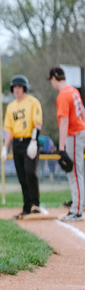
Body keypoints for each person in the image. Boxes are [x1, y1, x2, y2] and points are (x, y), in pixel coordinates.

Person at [1, 74, 43, 219]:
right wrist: (5, 147)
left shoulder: (33, 102)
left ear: (24, 88)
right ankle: (26, 206)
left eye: (19, 87)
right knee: (21, 176)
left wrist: (33, 141)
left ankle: (35, 203)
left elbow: (37, 123)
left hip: (29, 141)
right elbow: (9, 129)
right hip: (17, 144)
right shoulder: (11, 107)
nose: (17, 89)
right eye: (15, 87)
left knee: (30, 172)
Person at [49, 66, 85, 221]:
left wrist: (61, 147)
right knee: (77, 172)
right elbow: (82, 111)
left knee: (75, 173)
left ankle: (77, 211)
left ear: (53, 79)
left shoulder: (63, 95)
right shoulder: (73, 90)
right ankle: (76, 208)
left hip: (74, 135)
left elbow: (64, 122)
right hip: (80, 131)